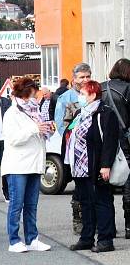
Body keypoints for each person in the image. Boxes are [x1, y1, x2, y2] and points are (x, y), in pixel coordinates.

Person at [66, 80, 120, 253]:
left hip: (96, 165)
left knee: (101, 202)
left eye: (83, 94)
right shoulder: (80, 113)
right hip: (80, 167)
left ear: (93, 95)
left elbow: (110, 141)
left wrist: (105, 165)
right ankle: (86, 238)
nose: (80, 97)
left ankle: (105, 239)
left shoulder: (105, 113)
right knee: (86, 203)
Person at [1, 77, 54, 253]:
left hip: (34, 163)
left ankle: (32, 238)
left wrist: (47, 130)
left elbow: (37, 135)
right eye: (32, 95)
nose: (34, 98)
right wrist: (35, 129)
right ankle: (14, 240)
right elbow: (13, 139)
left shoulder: (34, 112)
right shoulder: (12, 113)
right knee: (17, 204)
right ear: (24, 95)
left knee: (32, 204)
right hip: (17, 166)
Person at [55, 63, 92, 234]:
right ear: (74, 79)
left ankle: (92, 220)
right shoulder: (66, 98)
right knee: (79, 186)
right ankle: (78, 219)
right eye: (81, 77)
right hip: (75, 149)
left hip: (92, 147)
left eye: (87, 76)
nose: (85, 80)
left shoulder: (95, 93)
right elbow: (61, 125)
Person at [101, 58, 130, 238]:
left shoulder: (100, 87)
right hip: (124, 142)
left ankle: (108, 226)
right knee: (128, 183)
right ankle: (129, 227)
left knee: (105, 186)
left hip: (104, 141)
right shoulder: (128, 89)